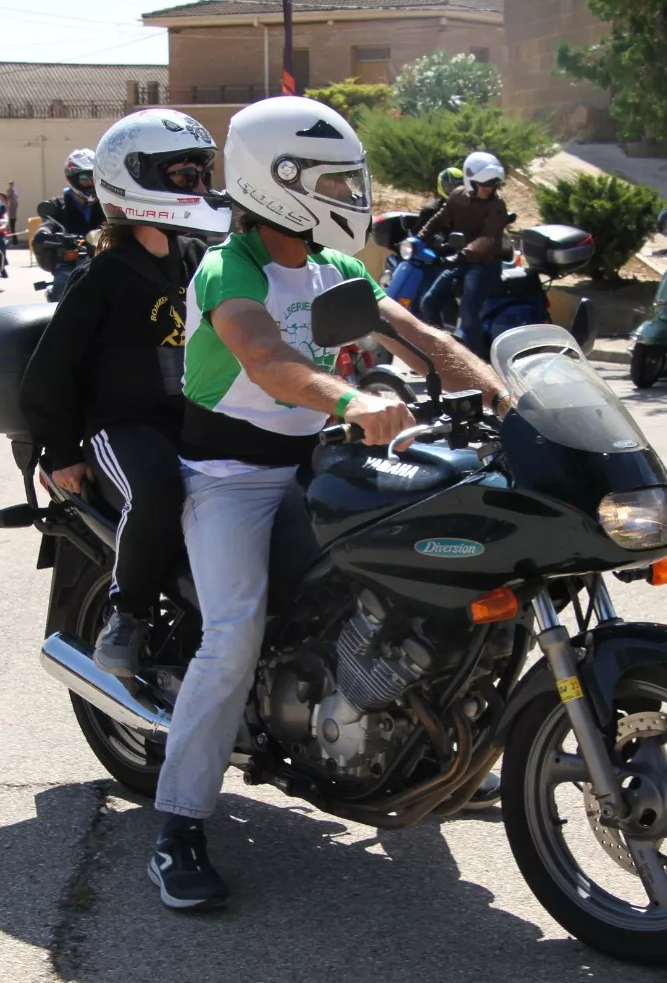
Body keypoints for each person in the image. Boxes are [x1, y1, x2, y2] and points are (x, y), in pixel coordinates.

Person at [148, 95, 511, 910]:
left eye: (351, 180)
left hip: (316, 466)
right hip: (229, 479)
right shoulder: (227, 268)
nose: (350, 195)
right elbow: (268, 359)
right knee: (234, 635)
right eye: (332, 181)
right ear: (276, 183)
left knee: (411, 582)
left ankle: (429, 757)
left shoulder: (335, 269)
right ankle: (177, 826)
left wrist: (498, 389)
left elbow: (422, 338)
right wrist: (351, 403)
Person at [20, 110, 229, 676]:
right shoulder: (106, 276)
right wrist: (62, 453)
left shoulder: (198, 262)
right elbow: (49, 372)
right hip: (123, 425)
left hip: (188, 417)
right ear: (139, 179)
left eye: (202, 174)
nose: (201, 188)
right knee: (158, 492)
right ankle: (127, 617)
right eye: (185, 176)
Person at [416, 150, 510, 354]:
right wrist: (419, 238)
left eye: (492, 185)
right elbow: (439, 218)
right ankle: (443, 353)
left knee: (468, 317)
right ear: (470, 181)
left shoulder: (497, 206)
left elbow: (488, 238)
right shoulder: (459, 196)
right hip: (461, 260)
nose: (487, 189)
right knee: (429, 302)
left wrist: (461, 255)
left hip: (485, 264)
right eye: (483, 184)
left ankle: (479, 366)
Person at [35, 148, 108, 298]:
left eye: (92, 177)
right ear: (72, 178)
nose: (89, 182)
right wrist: (45, 232)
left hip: (104, 257)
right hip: (71, 260)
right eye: (83, 176)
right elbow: (48, 222)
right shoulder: (59, 204)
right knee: (62, 282)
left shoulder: (107, 203)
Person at [415, 165, 465, 232]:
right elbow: (416, 237)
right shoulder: (430, 211)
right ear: (442, 185)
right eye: (450, 186)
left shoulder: (468, 208)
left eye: (459, 186)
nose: (455, 190)